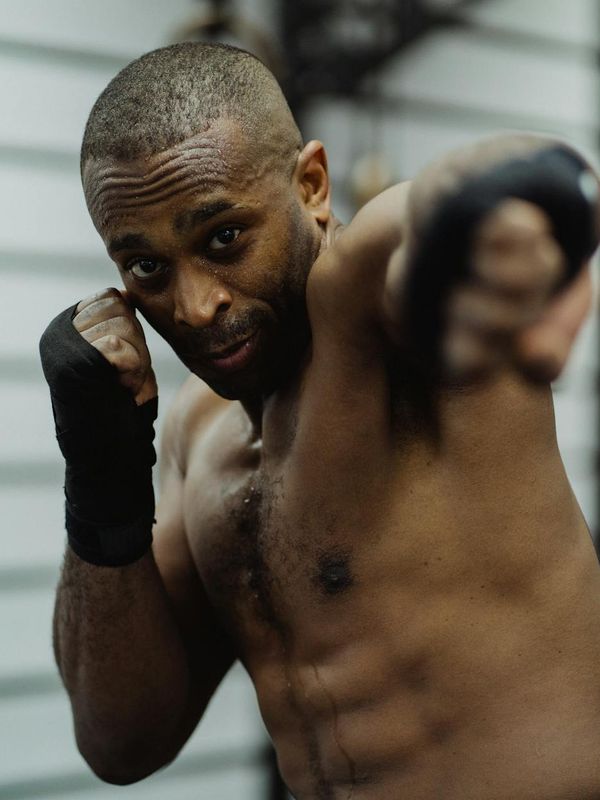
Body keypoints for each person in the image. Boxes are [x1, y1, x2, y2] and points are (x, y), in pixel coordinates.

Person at [39, 42, 600, 799]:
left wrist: (526, 199)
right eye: (148, 268)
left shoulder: (379, 326)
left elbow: (421, 219)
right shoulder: (196, 436)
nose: (196, 306)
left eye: (224, 238)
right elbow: (120, 742)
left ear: (311, 186)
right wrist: (100, 474)